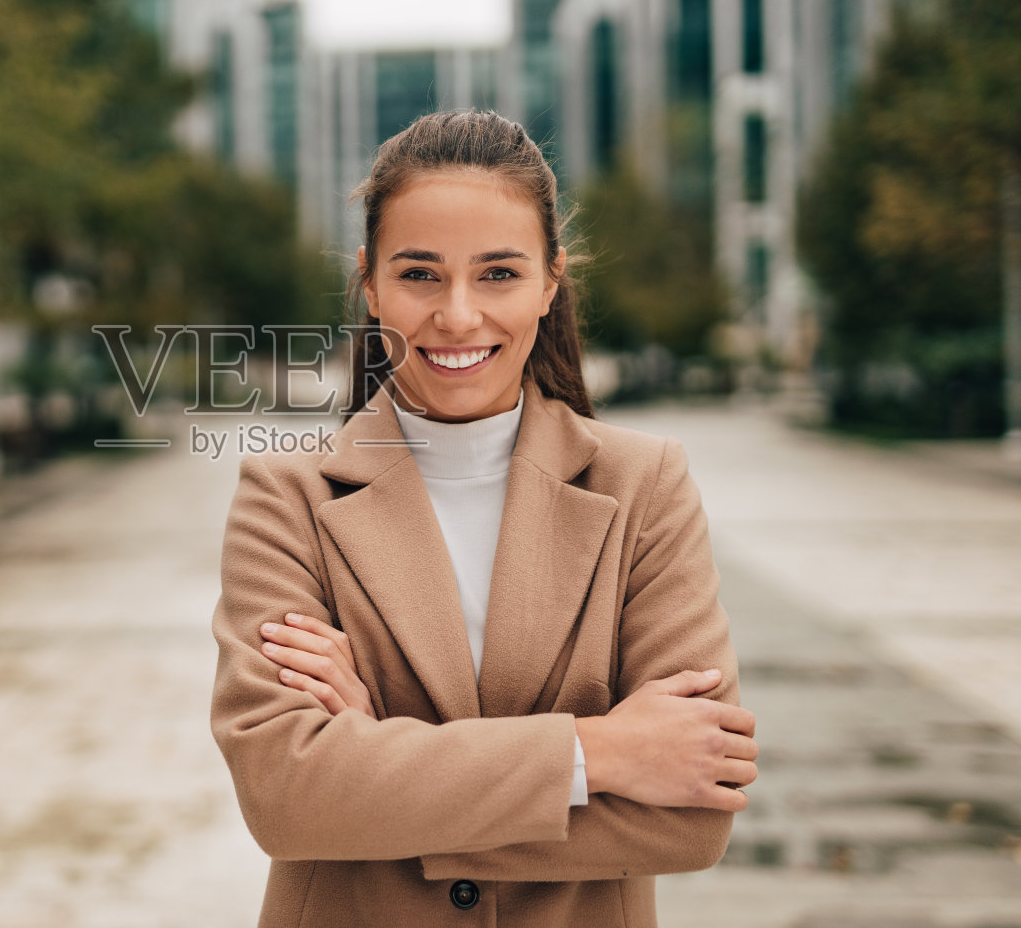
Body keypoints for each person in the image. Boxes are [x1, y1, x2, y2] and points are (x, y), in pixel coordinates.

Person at [209, 110, 757, 927]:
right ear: (369, 281)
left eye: (498, 273)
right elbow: (287, 798)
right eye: (420, 274)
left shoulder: (645, 486)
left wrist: (377, 769)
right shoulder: (288, 496)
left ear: (550, 281)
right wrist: (596, 753)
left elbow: (692, 815)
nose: (459, 315)